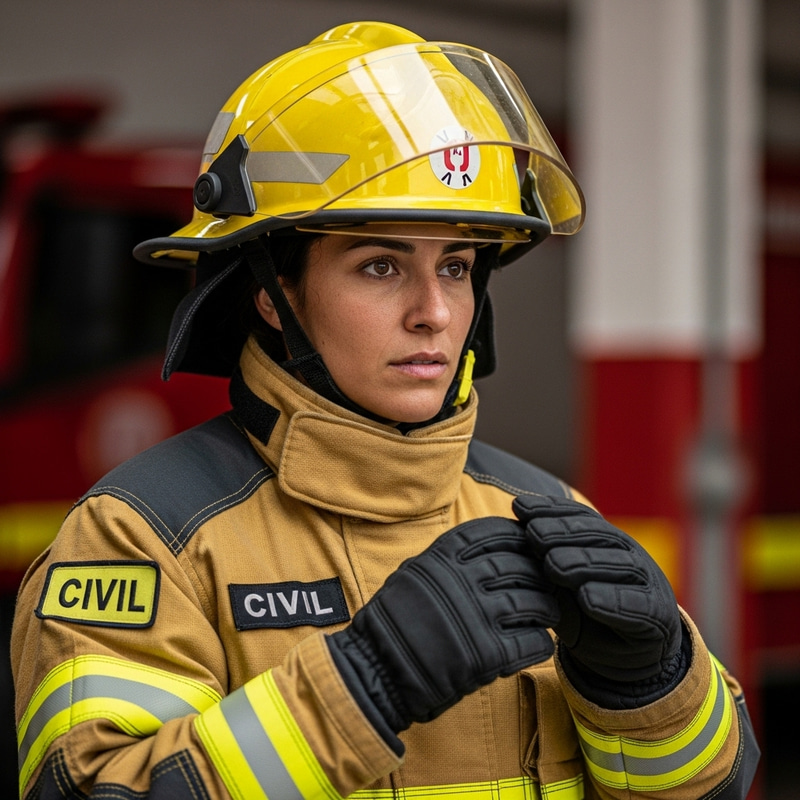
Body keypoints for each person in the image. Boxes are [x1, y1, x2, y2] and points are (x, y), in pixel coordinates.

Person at [11, 20, 759, 800]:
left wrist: (656, 685)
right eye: (379, 265)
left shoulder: (544, 512)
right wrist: (362, 685)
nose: (434, 311)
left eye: (459, 265)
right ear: (273, 295)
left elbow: (715, 787)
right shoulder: (144, 537)